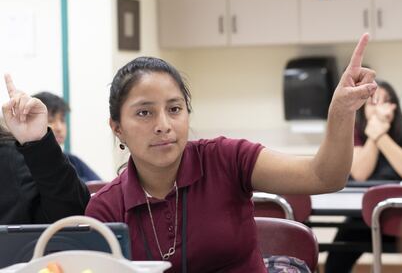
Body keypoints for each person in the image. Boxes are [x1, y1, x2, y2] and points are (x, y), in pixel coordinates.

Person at [3, 33, 377, 272]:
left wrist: (340, 113)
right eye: (144, 112)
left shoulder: (227, 158)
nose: (163, 124)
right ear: (116, 128)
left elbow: (324, 176)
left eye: (175, 108)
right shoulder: (107, 208)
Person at [325, 80, 402, 273]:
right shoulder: (356, 131)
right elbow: (360, 173)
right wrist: (374, 132)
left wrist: (380, 135)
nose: (378, 108)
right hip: (361, 216)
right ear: (363, 108)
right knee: (334, 262)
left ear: (394, 106)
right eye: (373, 102)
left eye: (384, 102)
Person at [0, 114, 90, 225]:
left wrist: (40, 143)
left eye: (62, 120)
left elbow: (71, 215)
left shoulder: (13, 159)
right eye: (52, 120)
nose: (58, 128)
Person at [32, 91, 102, 182]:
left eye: (62, 120)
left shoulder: (73, 161)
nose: (59, 127)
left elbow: (100, 188)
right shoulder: (24, 164)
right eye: (50, 120)